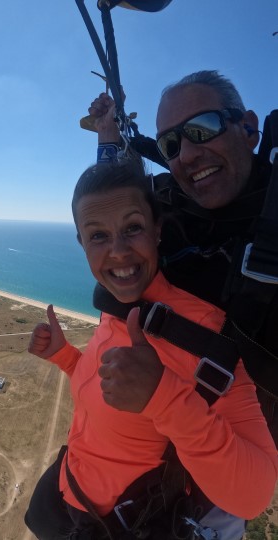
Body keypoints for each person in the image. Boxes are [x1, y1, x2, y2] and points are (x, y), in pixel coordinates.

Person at [24, 160, 277, 540]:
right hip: (66, 492)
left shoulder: (205, 337)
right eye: (98, 236)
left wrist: (165, 399)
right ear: (81, 242)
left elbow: (254, 497)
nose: (119, 251)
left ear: (157, 229)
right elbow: (106, 390)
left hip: (115, 525)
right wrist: (65, 357)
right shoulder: (115, 307)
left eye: (132, 228)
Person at [88, 70, 278, 439]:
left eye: (203, 127)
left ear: (249, 127)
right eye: (170, 144)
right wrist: (108, 133)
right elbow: (111, 207)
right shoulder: (166, 202)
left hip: (234, 442)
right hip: (146, 430)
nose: (188, 155)